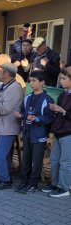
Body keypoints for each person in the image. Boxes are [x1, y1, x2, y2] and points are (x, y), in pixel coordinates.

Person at [14, 70, 54, 194]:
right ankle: (24, 181)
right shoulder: (27, 98)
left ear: (42, 83)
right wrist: (20, 115)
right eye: (30, 80)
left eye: (34, 81)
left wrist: (37, 119)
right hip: (27, 134)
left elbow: (50, 118)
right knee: (26, 160)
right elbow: (23, 113)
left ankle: (33, 184)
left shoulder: (47, 99)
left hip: (39, 135)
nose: (31, 83)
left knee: (36, 162)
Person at [42, 67, 71, 197]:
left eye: (64, 78)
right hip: (58, 131)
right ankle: (54, 184)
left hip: (68, 133)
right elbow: (60, 111)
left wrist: (62, 111)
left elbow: (66, 113)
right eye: (61, 78)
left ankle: (63, 188)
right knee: (54, 160)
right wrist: (54, 109)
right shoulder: (63, 93)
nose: (61, 81)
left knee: (65, 162)